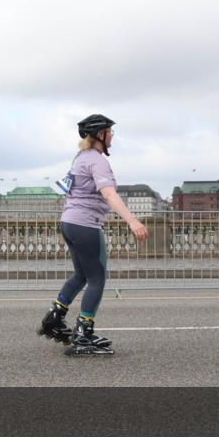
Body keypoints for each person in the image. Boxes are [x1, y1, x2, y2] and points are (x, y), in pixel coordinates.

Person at [38, 114, 148, 356]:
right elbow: (109, 194)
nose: (112, 137)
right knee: (97, 278)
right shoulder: (97, 161)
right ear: (101, 135)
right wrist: (132, 220)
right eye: (110, 132)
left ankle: (54, 318)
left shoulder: (80, 158)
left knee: (80, 275)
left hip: (69, 222)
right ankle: (83, 335)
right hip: (86, 225)